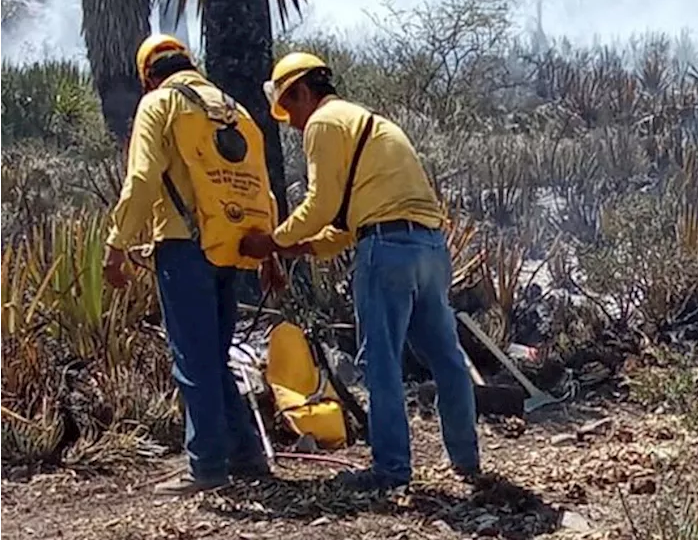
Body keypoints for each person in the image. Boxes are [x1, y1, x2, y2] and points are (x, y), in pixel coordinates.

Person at [239, 52, 480, 491]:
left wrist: (273, 241)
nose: (292, 122)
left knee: (381, 363)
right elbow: (349, 224)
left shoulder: (324, 124)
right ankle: (466, 459)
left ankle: (390, 470)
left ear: (303, 92)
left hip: (386, 252)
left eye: (289, 108)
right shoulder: (367, 123)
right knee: (446, 357)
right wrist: (304, 248)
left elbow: (321, 206)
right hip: (428, 247)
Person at [104, 34, 281, 495]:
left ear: (149, 77)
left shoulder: (160, 104)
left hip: (185, 249)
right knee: (215, 357)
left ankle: (206, 467)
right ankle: (246, 456)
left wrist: (117, 244)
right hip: (235, 248)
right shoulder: (233, 109)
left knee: (194, 362)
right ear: (190, 63)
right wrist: (272, 256)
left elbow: (142, 178)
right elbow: (263, 186)